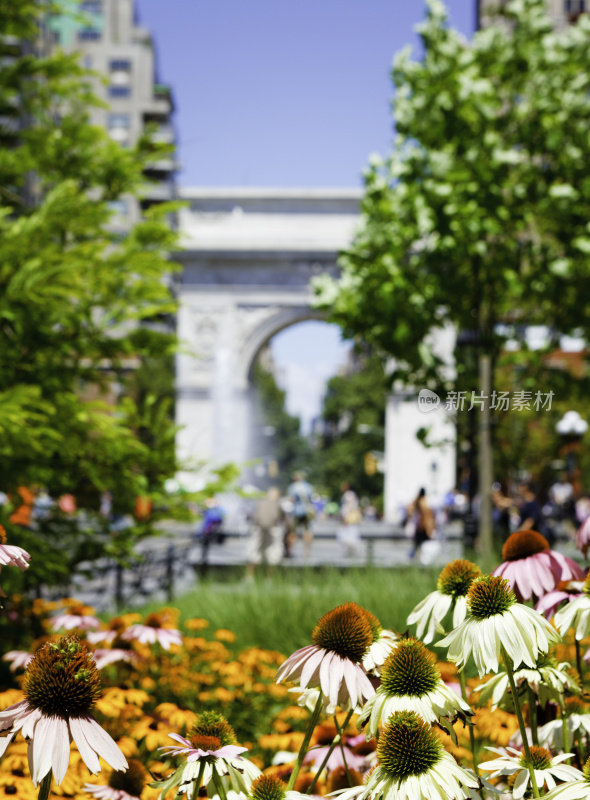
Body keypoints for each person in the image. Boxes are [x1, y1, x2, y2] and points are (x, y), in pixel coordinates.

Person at [246, 487, 285, 579]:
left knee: (255, 553)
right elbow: (282, 518)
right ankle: (268, 578)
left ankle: (250, 577)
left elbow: (251, 516)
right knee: (272, 554)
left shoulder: (259, 502)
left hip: (259, 529)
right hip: (270, 530)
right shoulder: (277, 504)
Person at [286, 471, 314, 558]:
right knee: (307, 531)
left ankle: (291, 550)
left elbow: (291, 500)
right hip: (307, 512)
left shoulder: (293, 487)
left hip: (296, 512)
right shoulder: (308, 486)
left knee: (293, 532)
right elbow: (311, 498)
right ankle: (307, 551)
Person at [406, 487, 435, 561]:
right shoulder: (423, 501)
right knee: (420, 545)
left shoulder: (418, 501)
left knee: (418, 545)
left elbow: (409, 510)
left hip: (420, 526)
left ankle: (414, 558)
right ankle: (415, 558)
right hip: (422, 527)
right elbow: (427, 516)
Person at [337, 483, 362, 557]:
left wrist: (346, 517)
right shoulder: (351, 494)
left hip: (348, 518)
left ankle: (350, 552)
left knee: (347, 535)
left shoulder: (348, 494)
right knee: (350, 534)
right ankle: (350, 552)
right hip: (350, 518)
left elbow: (349, 506)